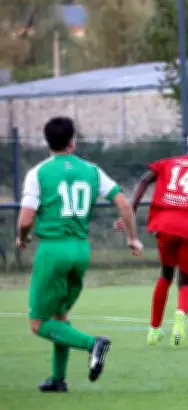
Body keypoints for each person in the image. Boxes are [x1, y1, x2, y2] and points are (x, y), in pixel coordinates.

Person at [17, 116, 143, 392]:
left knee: (38, 323)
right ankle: (58, 379)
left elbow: (26, 220)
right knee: (60, 315)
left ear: (47, 142)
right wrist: (132, 238)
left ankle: (92, 344)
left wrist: (21, 238)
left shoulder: (38, 173)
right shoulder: (92, 170)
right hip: (81, 249)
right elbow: (123, 203)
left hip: (53, 250)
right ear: (72, 141)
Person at [114, 128, 188, 348]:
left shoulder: (168, 163)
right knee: (186, 282)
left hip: (164, 225)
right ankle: (180, 316)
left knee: (165, 275)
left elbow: (144, 180)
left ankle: (154, 329)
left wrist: (131, 210)